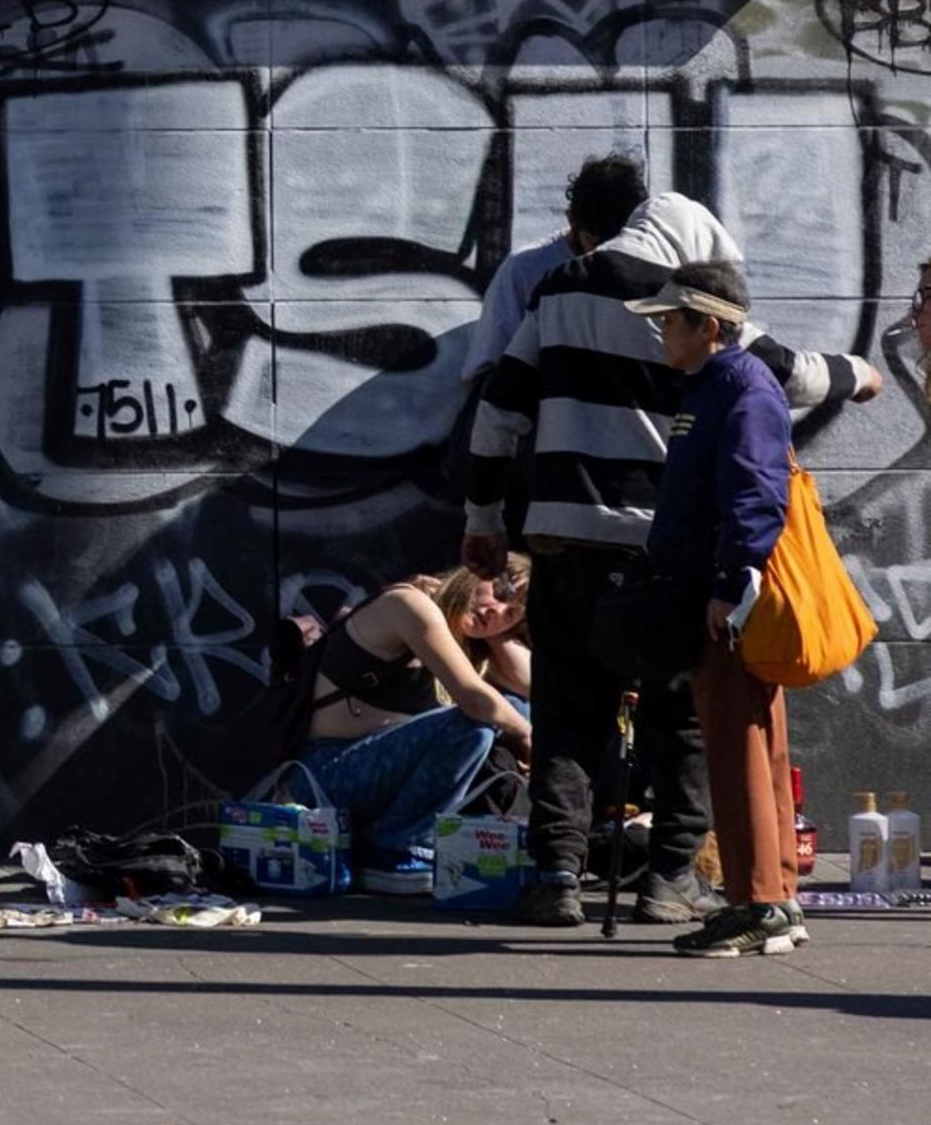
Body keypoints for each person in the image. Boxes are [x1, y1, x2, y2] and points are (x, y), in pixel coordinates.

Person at [462, 154, 878, 928]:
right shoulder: (690, 300)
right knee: (678, 713)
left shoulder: (557, 288)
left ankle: (555, 872)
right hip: (663, 549)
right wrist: (856, 372)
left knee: (566, 708)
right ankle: (670, 876)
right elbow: (784, 371)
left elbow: (498, 410)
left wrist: (483, 520)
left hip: (568, 540)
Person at [633, 261, 811, 959]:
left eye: (669, 320)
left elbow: (756, 489)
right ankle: (775, 897)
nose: (659, 333)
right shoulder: (712, 386)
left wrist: (732, 584)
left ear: (709, 324)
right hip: (716, 589)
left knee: (738, 746)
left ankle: (755, 903)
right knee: (757, 743)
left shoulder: (739, 386)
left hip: (726, 596)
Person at [287, 561, 531, 888]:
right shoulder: (408, 604)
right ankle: (393, 852)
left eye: (510, 613)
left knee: (517, 708)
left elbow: (532, 686)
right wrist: (528, 737)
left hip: (376, 783)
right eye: (499, 592)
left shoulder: (465, 640)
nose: (495, 610)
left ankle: (394, 842)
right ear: (474, 572)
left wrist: (498, 634)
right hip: (327, 775)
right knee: (472, 723)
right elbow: (474, 699)